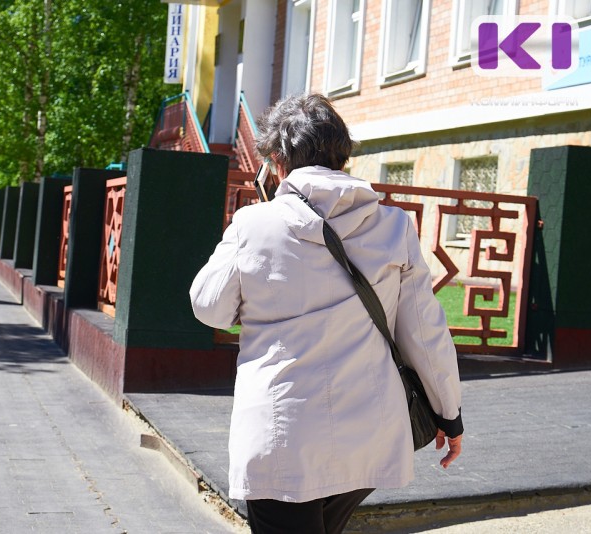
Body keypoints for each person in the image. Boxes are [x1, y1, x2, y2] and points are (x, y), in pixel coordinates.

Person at [189, 93, 463, 534]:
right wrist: (450, 415)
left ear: (276, 161)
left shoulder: (253, 224)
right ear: (343, 155)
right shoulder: (393, 226)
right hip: (368, 432)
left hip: (282, 437)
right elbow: (425, 331)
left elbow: (209, 307)